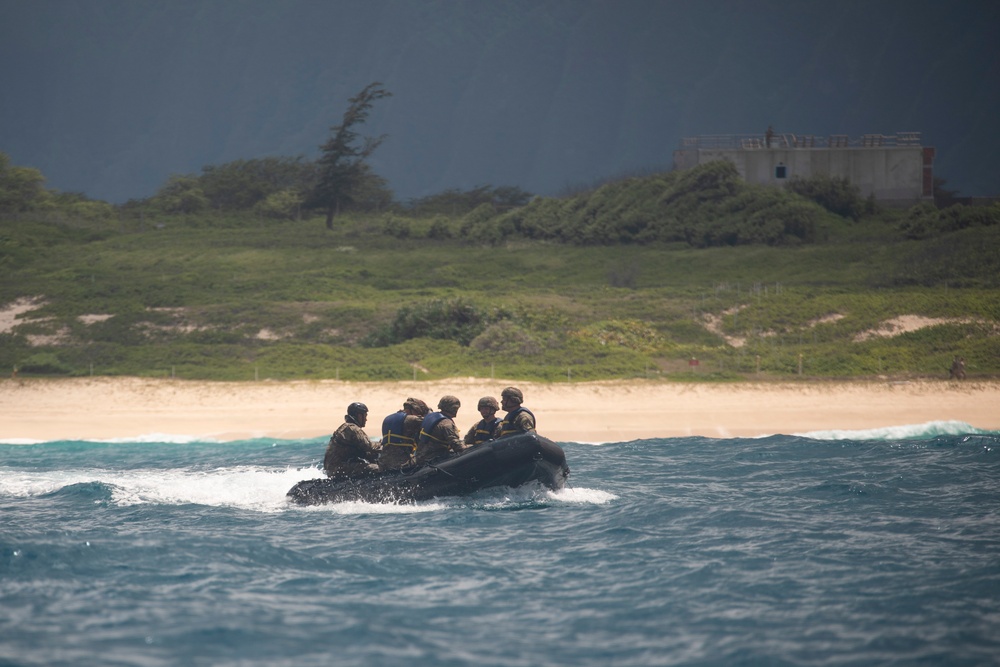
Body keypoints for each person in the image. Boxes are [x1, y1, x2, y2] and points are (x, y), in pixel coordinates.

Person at [323, 402, 381, 478]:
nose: (366, 419)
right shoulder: (352, 428)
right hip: (337, 469)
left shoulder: (347, 427)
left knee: (371, 455)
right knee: (376, 468)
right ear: (359, 416)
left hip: (332, 468)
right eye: (365, 416)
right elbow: (369, 446)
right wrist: (383, 443)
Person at [378, 397, 429, 471]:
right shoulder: (412, 419)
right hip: (401, 463)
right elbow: (430, 422)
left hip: (383, 463)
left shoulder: (388, 418)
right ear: (414, 410)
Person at [414, 395, 465, 466]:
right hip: (435, 458)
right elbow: (455, 444)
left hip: (420, 456)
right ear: (453, 408)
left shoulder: (429, 417)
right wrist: (468, 450)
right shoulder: (446, 424)